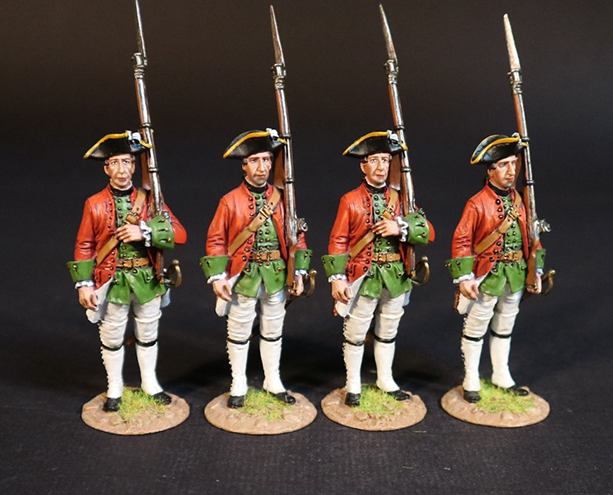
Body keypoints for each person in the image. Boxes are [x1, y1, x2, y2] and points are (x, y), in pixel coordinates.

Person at [67, 131, 187, 412]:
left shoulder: (151, 201)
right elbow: (84, 246)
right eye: (115, 163)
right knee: (112, 336)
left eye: (126, 162)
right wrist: (84, 284)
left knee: (148, 333)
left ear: (134, 166)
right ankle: (115, 388)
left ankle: (150, 384)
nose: (121, 169)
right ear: (106, 168)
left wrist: (146, 231)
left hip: (147, 280)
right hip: (113, 281)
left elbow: (179, 234)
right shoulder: (94, 204)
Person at [200, 129, 311, 409]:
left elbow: (296, 237)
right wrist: (218, 276)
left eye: (266, 159)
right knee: (239, 331)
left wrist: (299, 271)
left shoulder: (284, 198)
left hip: (276, 275)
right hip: (244, 277)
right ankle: (238, 382)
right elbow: (216, 240)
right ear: (244, 165)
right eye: (255, 160)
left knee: (273, 329)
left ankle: (272, 380)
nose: (262, 167)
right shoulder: (229, 201)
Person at [321, 131, 434, 407]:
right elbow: (338, 241)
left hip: (395, 276)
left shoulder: (402, 200)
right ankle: (353, 384)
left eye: (385, 160)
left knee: (388, 329)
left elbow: (428, 232)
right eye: (374, 160)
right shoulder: (350, 201)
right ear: (363, 166)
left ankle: (385, 379)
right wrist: (337, 278)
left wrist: (400, 226)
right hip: (365, 276)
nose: (381, 166)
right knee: (356, 331)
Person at [446, 133, 545, 403]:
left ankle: (501, 374)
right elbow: (462, 241)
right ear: (490, 170)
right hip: (487, 275)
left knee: (505, 325)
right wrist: (464, 278)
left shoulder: (522, 200)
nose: (511, 170)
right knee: (476, 326)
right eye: (503, 165)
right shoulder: (477, 203)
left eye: (513, 163)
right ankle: (471, 378)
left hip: (516, 273)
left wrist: (536, 269)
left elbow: (533, 238)